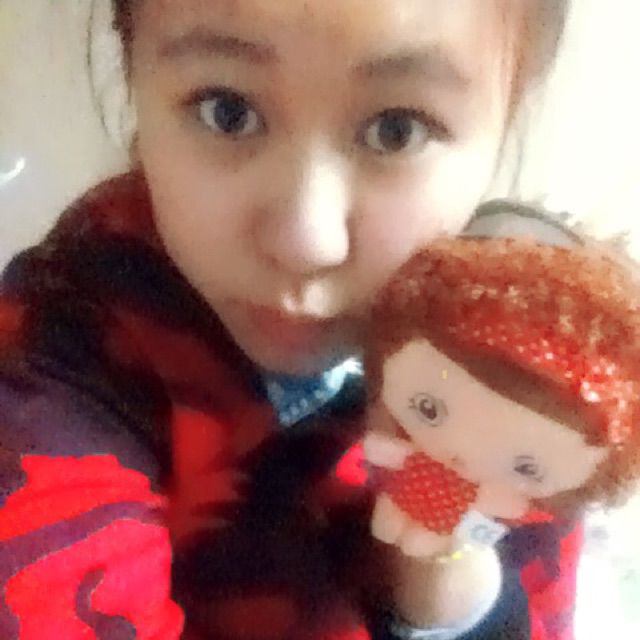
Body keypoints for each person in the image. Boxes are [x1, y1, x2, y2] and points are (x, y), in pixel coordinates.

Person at [0, 1, 582, 638]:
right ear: (133, 75)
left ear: (508, 113)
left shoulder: (534, 359)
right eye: (228, 111)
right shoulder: (58, 348)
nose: (306, 242)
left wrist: (447, 580)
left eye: (397, 130)